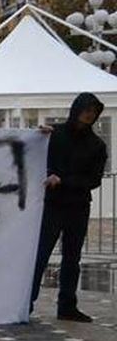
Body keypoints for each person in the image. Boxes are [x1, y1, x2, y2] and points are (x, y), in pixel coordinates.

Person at [31, 93, 106, 322]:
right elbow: (36, 157)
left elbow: (94, 179)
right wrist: (36, 137)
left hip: (77, 206)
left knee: (72, 258)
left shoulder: (96, 145)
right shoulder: (55, 134)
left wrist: (64, 180)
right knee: (41, 254)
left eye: (93, 111)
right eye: (86, 109)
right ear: (76, 109)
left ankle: (67, 305)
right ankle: (26, 302)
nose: (88, 115)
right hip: (52, 205)